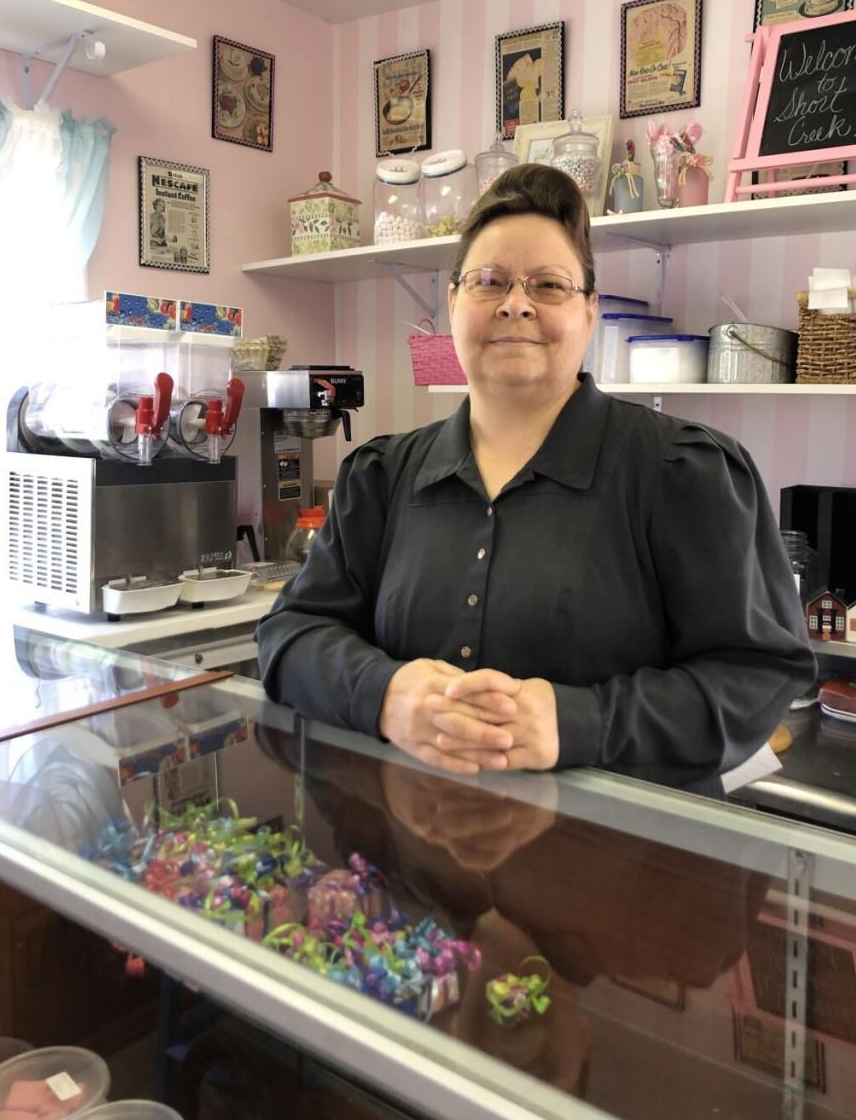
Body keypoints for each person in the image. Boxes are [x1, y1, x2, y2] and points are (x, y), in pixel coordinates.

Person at [257, 163, 815, 796]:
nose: (515, 303)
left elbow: (756, 677)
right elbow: (289, 638)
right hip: (416, 865)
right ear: (452, 303)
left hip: (628, 872)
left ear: (590, 312)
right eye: (488, 280)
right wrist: (383, 693)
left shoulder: (684, 473)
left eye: (549, 285)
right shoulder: (380, 479)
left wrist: (582, 722)